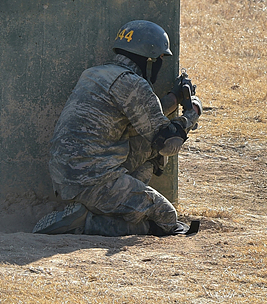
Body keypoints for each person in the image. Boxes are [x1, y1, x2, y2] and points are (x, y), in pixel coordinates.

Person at [33, 20, 203, 237]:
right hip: (93, 180)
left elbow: (146, 116)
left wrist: (174, 98)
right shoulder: (133, 84)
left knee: (151, 151)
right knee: (167, 218)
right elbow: (168, 143)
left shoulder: (95, 74)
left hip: (66, 175)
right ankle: (88, 223)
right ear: (148, 58)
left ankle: (104, 208)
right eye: (159, 59)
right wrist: (192, 114)